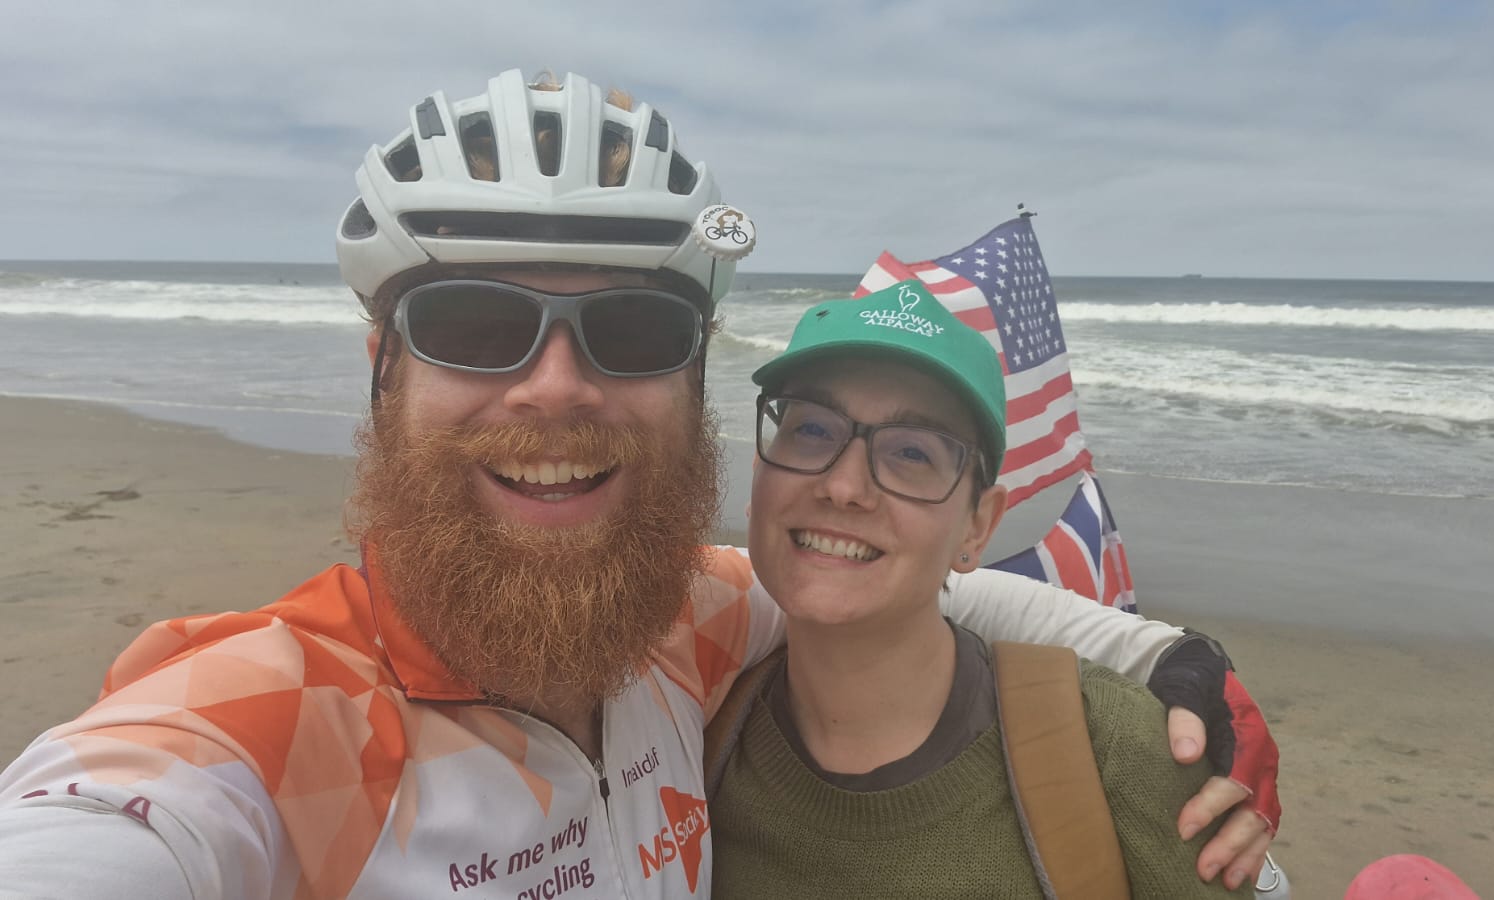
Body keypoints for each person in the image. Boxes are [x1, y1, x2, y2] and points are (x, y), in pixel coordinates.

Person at [0, 69, 1272, 897]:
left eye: (633, 334)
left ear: (694, 386)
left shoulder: (678, 627)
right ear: (380, 369)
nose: (557, 387)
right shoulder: (262, 732)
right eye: (477, 324)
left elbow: (903, 588)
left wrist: (1166, 660)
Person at [705, 282, 1247, 897]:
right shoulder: (693, 732)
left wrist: (1178, 656)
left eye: (911, 451)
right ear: (760, 479)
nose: (844, 486)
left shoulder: (1119, 752)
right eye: (811, 431)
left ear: (978, 526)